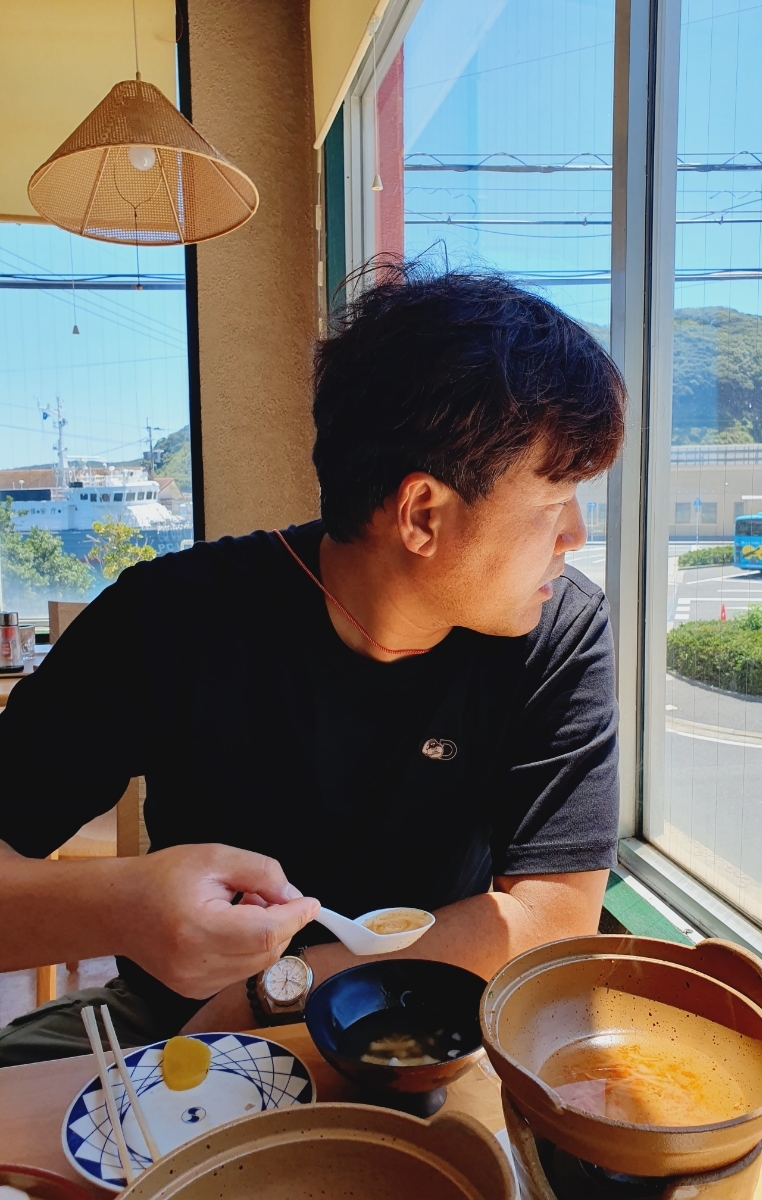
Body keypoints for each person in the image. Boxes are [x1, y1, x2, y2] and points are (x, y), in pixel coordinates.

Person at [0, 262, 625, 1065]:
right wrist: (121, 905)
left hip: (438, 1027)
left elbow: (553, 918)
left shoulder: (556, 630)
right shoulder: (173, 617)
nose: (575, 536)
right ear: (422, 514)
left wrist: (270, 992)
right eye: (553, 504)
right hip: (173, 1030)